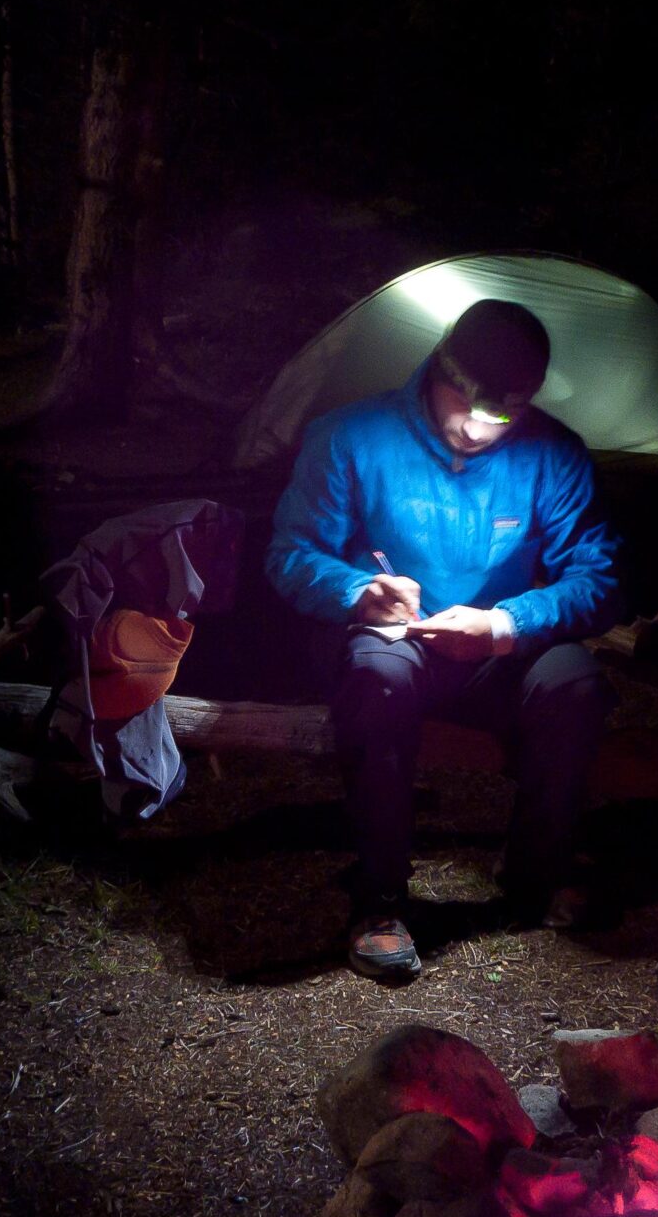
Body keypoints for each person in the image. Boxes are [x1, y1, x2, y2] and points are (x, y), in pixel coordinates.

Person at [265, 298, 622, 981]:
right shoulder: (351, 437)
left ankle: (536, 878)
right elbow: (290, 554)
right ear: (442, 374)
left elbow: (600, 576)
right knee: (379, 678)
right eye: (474, 411)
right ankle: (378, 900)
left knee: (575, 683)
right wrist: (356, 593)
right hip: (396, 641)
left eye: (506, 416)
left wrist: (502, 625)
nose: (483, 432)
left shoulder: (553, 453)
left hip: (494, 650)